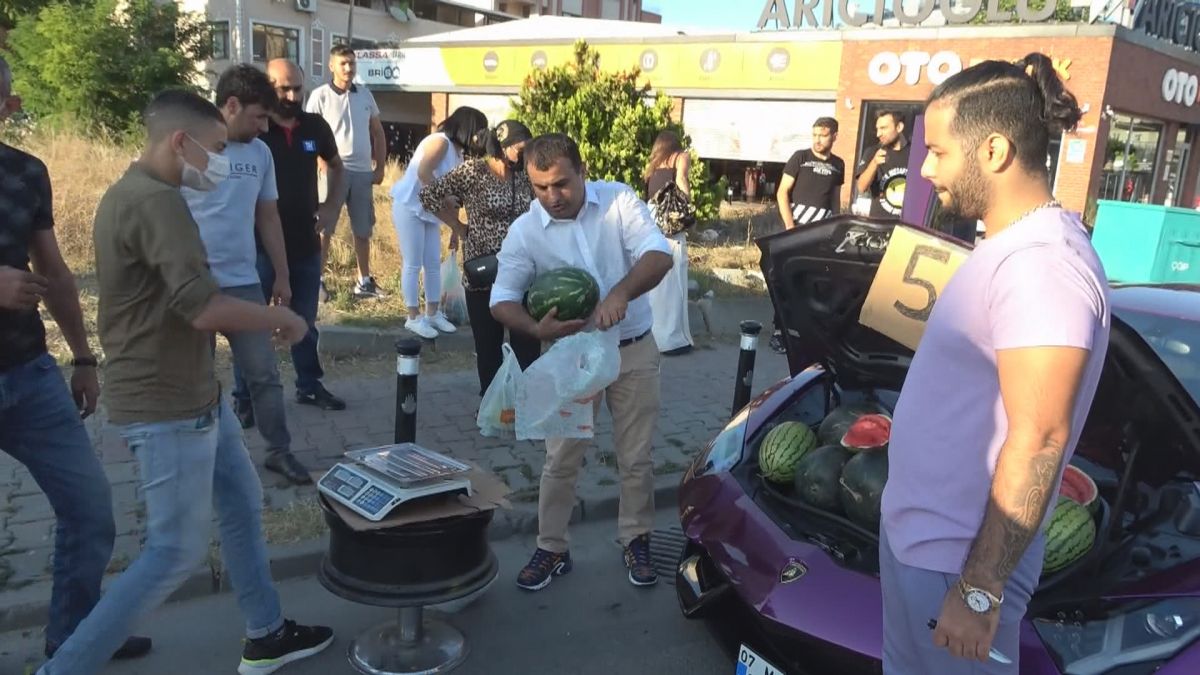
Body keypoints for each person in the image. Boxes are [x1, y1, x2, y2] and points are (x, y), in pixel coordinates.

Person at [38, 89, 333, 675]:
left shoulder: (139, 192)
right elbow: (201, 308)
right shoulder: (156, 204)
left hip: (199, 393)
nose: (221, 163)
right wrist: (283, 316)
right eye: (217, 149)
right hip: (166, 403)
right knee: (173, 553)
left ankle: (266, 632)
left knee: (243, 503)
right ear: (181, 142)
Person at [878, 53, 1109, 674]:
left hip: (957, 566)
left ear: (995, 151)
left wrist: (980, 590)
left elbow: (1040, 440)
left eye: (938, 152)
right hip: (919, 547)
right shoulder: (1005, 246)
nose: (925, 171)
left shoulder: (1043, 265)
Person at [0, 55, 152, 664]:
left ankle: (75, 639)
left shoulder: (25, 173)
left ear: (9, 104)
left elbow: (54, 272)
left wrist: (85, 359)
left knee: (92, 511)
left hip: (29, 375)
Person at [490, 133, 674, 591]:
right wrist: (535, 331)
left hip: (632, 346)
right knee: (560, 460)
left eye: (561, 184)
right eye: (540, 187)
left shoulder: (618, 201)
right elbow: (502, 299)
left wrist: (621, 293)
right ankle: (551, 547)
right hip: (571, 357)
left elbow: (659, 255)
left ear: (582, 171)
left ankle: (636, 538)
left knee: (635, 457)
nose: (552, 197)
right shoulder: (526, 230)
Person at [182, 64, 312, 486]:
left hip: (243, 283)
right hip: (194, 284)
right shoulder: (187, 148)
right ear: (231, 105)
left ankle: (279, 451)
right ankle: (198, 460)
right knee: (195, 379)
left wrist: (282, 276)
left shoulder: (260, 154)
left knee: (264, 375)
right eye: (257, 117)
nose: (263, 127)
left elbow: (267, 217)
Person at [237, 58, 346, 413]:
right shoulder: (255, 130)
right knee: (252, 324)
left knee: (305, 321)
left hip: (304, 243)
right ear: (268, 87)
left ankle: (309, 385)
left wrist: (331, 206)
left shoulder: (314, 126)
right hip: (258, 247)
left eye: (298, 87)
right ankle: (245, 397)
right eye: (284, 88)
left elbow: (337, 166)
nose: (292, 94)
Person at [418, 119, 540, 395]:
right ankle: (492, 407)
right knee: (488, 347)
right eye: (520, 149)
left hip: (521, 273)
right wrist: (458, 226)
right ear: (503, 146)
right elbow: (429, 195)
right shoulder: (473, 171)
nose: (524, 155)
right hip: (483, 274)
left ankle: (527, 404)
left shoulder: (525, 177)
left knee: (527, 343)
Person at [390, 106, 488, 339]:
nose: (480, 137)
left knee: (433, 263)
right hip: (409, 206)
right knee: (413, 264)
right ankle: (413, 317)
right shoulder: (440, 142)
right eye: (479, 131)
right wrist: (446, 199)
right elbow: (424, 173)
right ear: (467, 128)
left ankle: (432, 313)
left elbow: (454, 193)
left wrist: (455, 228)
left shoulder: (458, 153)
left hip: (429, 212)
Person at [305, 44, 388, 300]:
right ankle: (316, 281)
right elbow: (308, 135)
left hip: (363, 172)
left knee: (363, 229)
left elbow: (378, 132)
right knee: (323, 229)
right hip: (333, 171)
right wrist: (319, 159)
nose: (348, 68)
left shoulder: (365, 95)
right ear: (332, 66)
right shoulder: (319, 96)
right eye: (343, 63)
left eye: (352, 63)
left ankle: (364, 282)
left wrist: (381, 167)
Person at [770, 116, 846, 353]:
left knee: (814, 283)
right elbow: (782, 192)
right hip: (797, 230)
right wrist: (790, 226)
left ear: (834, 136)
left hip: (822, 234)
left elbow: (834, 200)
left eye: (823, 135)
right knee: (786, 279)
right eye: (814, 134)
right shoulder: (800, 158)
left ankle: (806, 332)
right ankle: (778, 331)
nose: (817, 140)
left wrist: (836, 228)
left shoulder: (839, 164)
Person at [643, 130, 695, 357]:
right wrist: (688, 205)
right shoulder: (681, 156)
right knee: (675, 282)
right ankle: (673, 339)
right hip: (672, 224)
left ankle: (655, 336)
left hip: (653, 221)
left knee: (658, 285)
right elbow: (682, 179)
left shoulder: (653, 166)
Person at [854, 109, 911, 219]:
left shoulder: (915, 153)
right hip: (879, 225)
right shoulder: (872, 152)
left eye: (883, 128)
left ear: (899, 127)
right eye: (877, 129)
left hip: (908, 225)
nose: (878, 134)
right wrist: (874, 163)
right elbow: (861, 187)